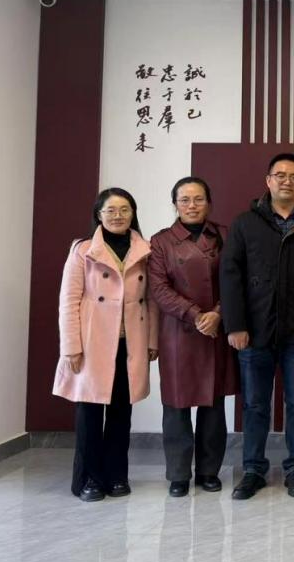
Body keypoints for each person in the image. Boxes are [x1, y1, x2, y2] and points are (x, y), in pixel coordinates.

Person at [219, 153, 294, 500]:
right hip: (254, 331)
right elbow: (230, 275)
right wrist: (235, 325)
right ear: (268, 180)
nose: (287, 181)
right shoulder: (245, 223)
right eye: (280, 175)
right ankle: (253, 470)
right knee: (255, 404)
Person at [53, 188, 157, 502]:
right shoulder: (83, 250)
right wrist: (71, 346)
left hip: (130, 342)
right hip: (92, 343)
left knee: (121, 413)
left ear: (133, 213)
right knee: (88, 414)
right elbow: (68, 300)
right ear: (98, 215)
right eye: (110, 210)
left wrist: (152, 341)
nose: (117, 215)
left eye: (124, 209)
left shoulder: (145, 250)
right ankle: (89, 479)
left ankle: (116, 476)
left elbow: (152, 301)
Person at [149, 176, 238, 497]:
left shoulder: (225, 235)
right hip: (179, 332)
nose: (192, 205)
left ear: (209, 203)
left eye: (198, 199)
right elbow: (159, 288)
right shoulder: (160, 241)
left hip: (216, 329)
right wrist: (196, 315)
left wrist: (218, 313)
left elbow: (236, 279)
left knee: (213, 405)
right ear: (175, 204)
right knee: (176, 406)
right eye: (184, 199)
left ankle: (208, 471)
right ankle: (178, 474)